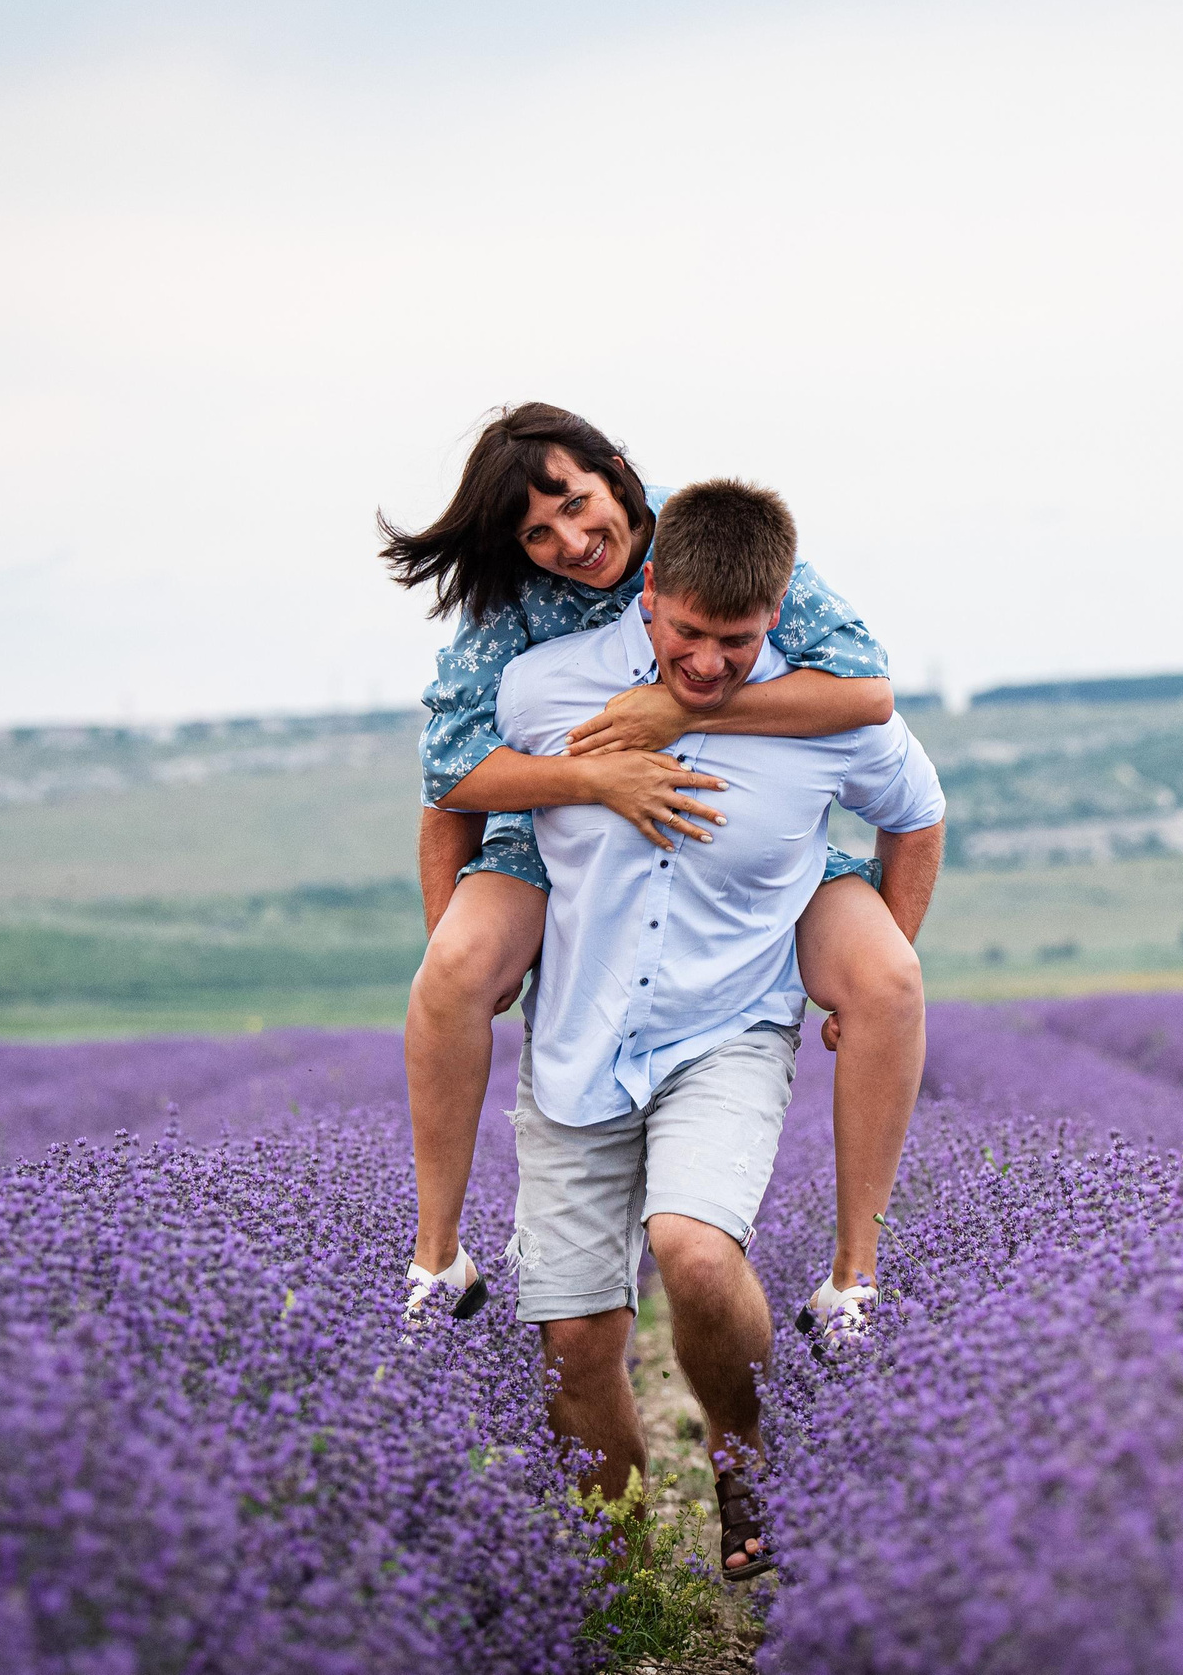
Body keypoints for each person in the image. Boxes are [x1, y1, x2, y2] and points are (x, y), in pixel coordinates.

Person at [378, 405, 927, 1333]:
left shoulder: (707, 537)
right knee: (453, 971)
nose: (568, 541)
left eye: (578, 506)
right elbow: (451, 776)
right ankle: (438, 1256)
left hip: (745, 845)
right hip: (552, 822)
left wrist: (683, 713)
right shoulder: (512, 598)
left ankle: (853, 1280)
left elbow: (867, 689)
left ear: (616, 474)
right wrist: (594, 779)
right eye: (536, 533)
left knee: (889, 978)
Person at [491, 478, 946, 1577]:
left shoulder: (827, 714)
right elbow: (458, 787)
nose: (705, 663)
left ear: (777, 613)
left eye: (735, 642)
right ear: (649, 592)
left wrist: (876, 954)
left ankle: (746, 1453)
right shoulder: (544, 689)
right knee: (578, 1346)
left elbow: (917, 815)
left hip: (729, 1026)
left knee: (693, 1251)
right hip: (576, 1041)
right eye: (688, 633)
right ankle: (621, 1588)